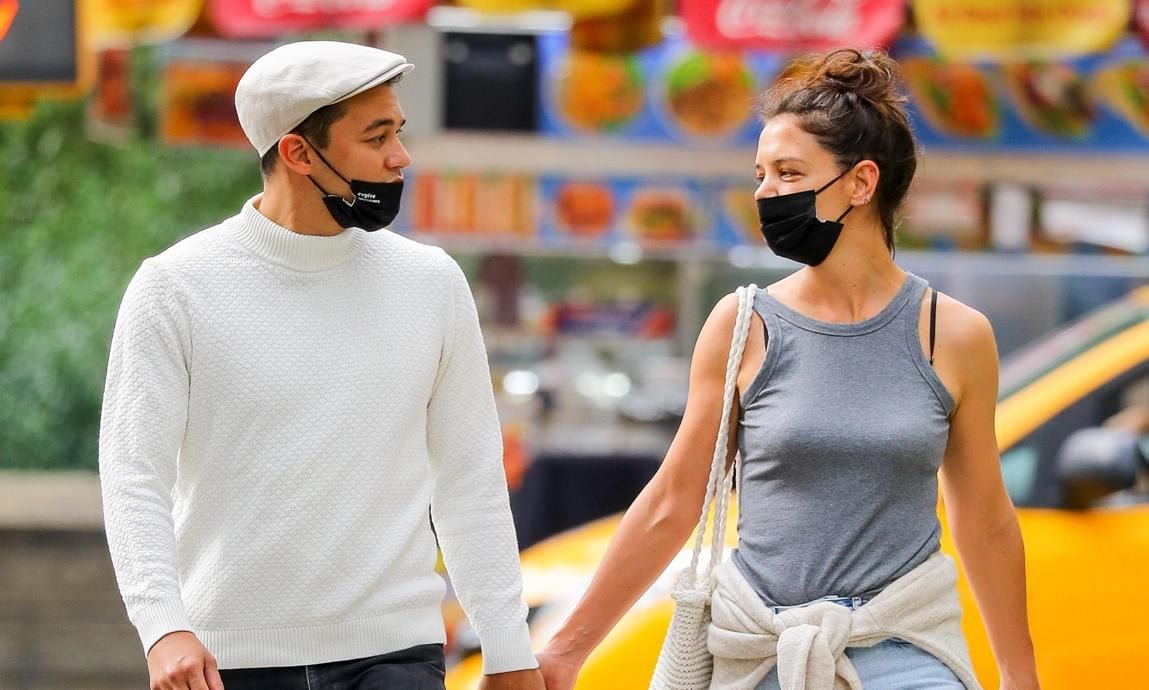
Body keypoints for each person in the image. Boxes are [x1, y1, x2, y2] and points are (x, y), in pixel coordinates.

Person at [536, 49, 1039, 689]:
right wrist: (566, 651)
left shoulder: (956, 335)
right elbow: (674, 500)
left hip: (905, 652)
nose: (766, 194)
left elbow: (985, 519)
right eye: (761, 174)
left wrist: (1020, 676)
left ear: (861, 183)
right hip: (760, 653)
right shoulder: (743, 325)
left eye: (789, 173)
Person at [99, 41, 543, 690]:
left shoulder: (432, 284)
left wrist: (508, 650)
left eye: (398, 131)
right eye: (376, 135)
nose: (401, 156)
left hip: (396, 655)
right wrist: (162, 626)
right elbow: (133, 472)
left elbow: (469, 479)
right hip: (230, 664)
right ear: (298, 152)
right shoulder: (175, 287)